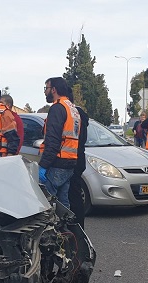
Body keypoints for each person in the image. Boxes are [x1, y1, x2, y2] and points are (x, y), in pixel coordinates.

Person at [39, 77, 79, 208]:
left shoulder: (57, 108)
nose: (45, 92)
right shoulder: (72, 108)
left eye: (46, 88)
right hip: (70, 161)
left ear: (54, 89)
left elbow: (53, 140)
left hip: (57, 162)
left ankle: (51, 228)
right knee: (63, 202)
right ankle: (66, 227)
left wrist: (43, 165)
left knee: (47, 202)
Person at [65, 88, 89, 227]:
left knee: (72, 196)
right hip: (78, 158)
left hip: (71, 158)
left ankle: (76, 228)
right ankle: (78, 226)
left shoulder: (71, 114)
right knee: (75, 195)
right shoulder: (79, 114)